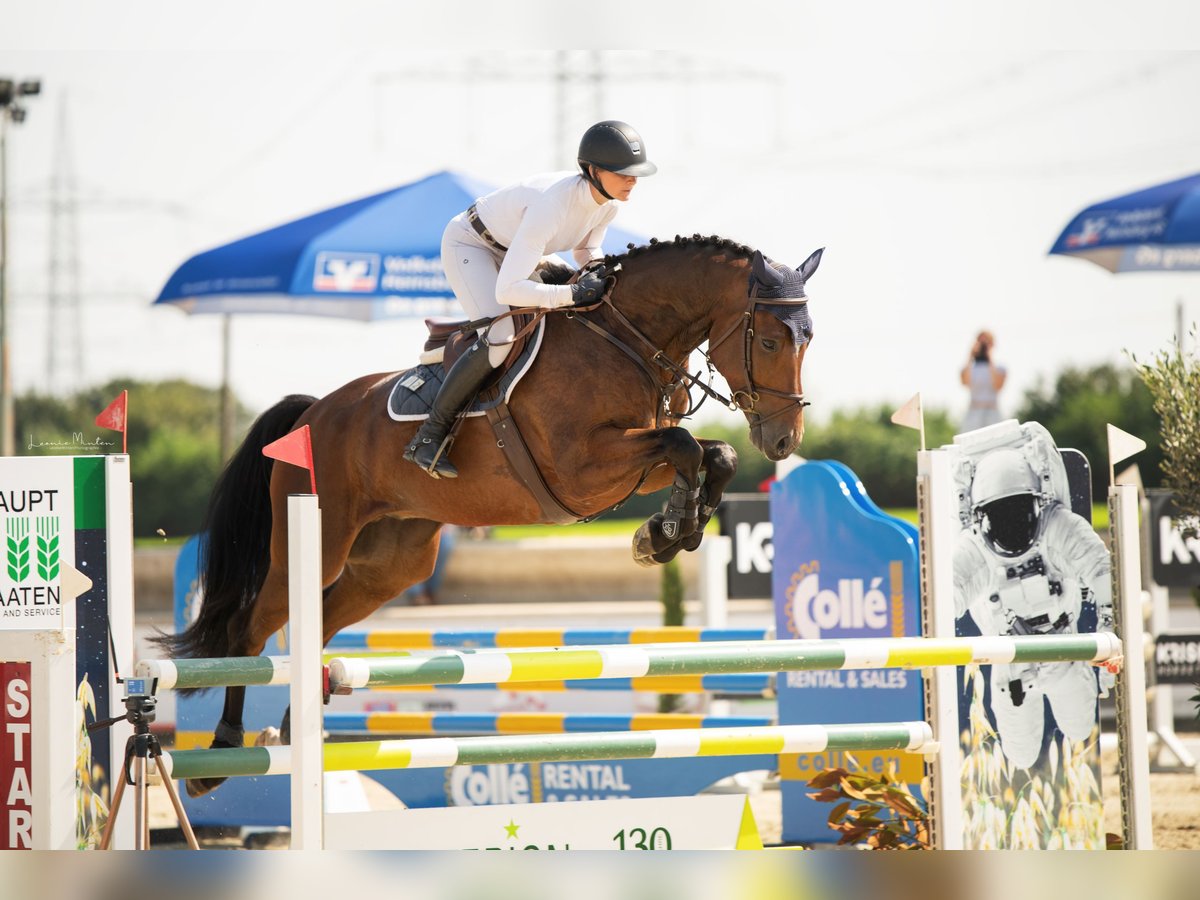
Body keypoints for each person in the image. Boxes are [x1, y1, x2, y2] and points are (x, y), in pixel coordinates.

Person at [403, 120, 657, 479]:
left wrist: (601, 270)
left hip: (516, 249)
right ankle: (428, 437)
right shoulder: (553, 206)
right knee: (502, 338)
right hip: (471, 245)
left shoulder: (608, 204)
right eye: (624, 173)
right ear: (594, 171)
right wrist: (570, 294)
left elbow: (586, 250)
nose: (632, 180)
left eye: (636, 173)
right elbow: (508, 289)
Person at [952, 442, 1113, 770]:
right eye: (1003, 514)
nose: (1012, 523)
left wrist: (1109, 635)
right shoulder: (974, 550)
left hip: (1063, 649)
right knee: (1021, 755)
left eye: (1018, 512)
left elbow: (1104, 574)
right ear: (982, 516)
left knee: (1079, 727)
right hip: (1010, 662)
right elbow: (941, 601)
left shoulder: (1060, 528)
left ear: (1037, 504)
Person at [960, 330, 1007, 433]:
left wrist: (990, 357)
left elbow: (997, 385)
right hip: (973, 412)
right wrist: (970, 356)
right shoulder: (970, 368)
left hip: (993, 412)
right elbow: (965, 382)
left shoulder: (1000, 368)